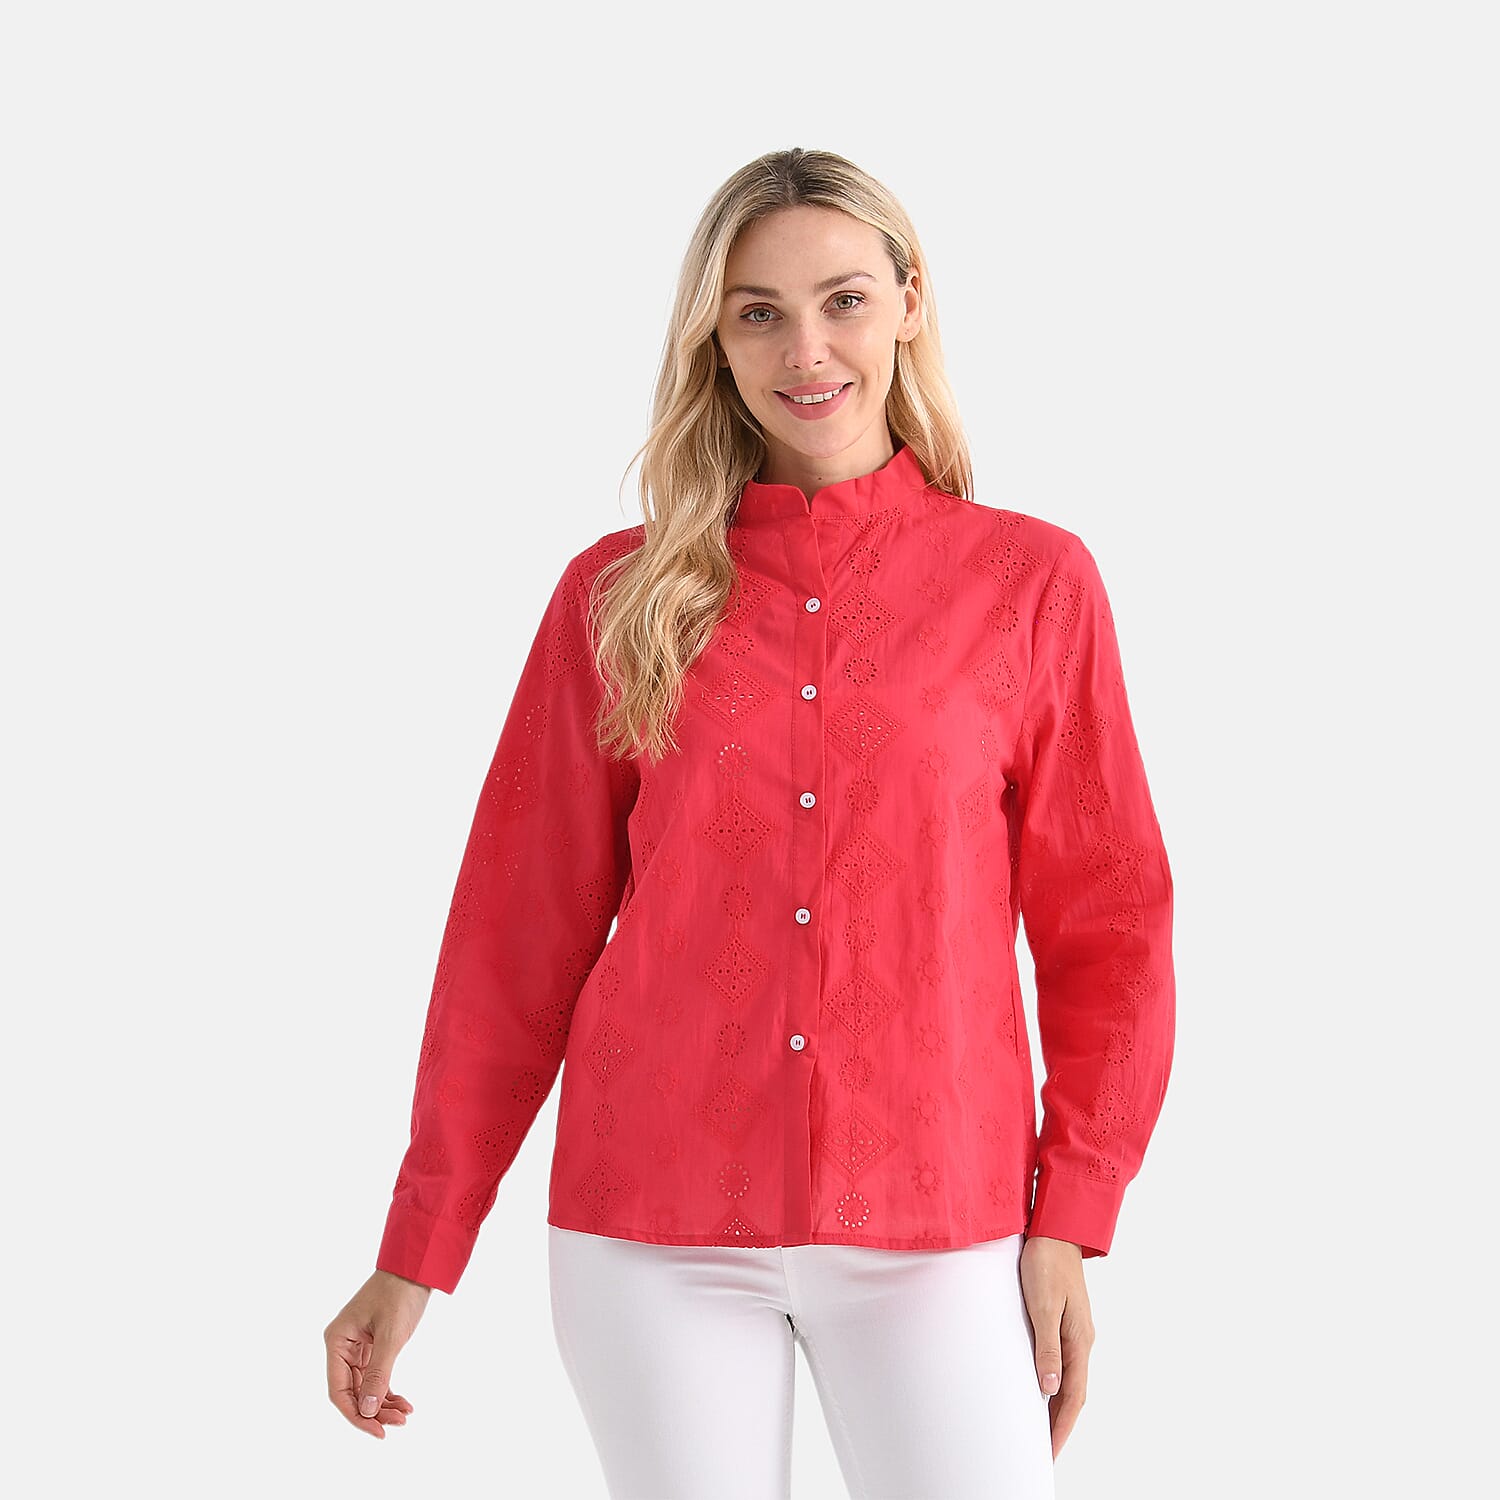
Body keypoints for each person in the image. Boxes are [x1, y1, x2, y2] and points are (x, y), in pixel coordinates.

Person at [324, 147, 1175, 1499]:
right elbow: (513, 941)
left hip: (939, 1220)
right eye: (758, 312)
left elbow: (1110, 926)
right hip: (649, 1230)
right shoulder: (616, 595)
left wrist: (1073, 1215)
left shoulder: (1031, 584)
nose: (806, 350)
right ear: (713, 341)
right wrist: (415, 1251)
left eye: (844, 300)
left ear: (910, 300)